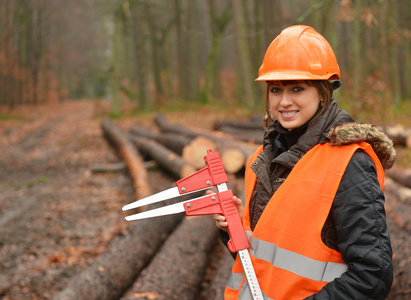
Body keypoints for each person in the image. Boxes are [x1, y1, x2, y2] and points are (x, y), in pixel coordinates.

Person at [213, 25, 396, 300]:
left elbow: (372, 276)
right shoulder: (262, 160)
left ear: (323, 92)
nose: (284, 101)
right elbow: (265, 259)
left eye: (297, 88)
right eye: (275, 90)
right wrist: (234, 232)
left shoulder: (349, 164)